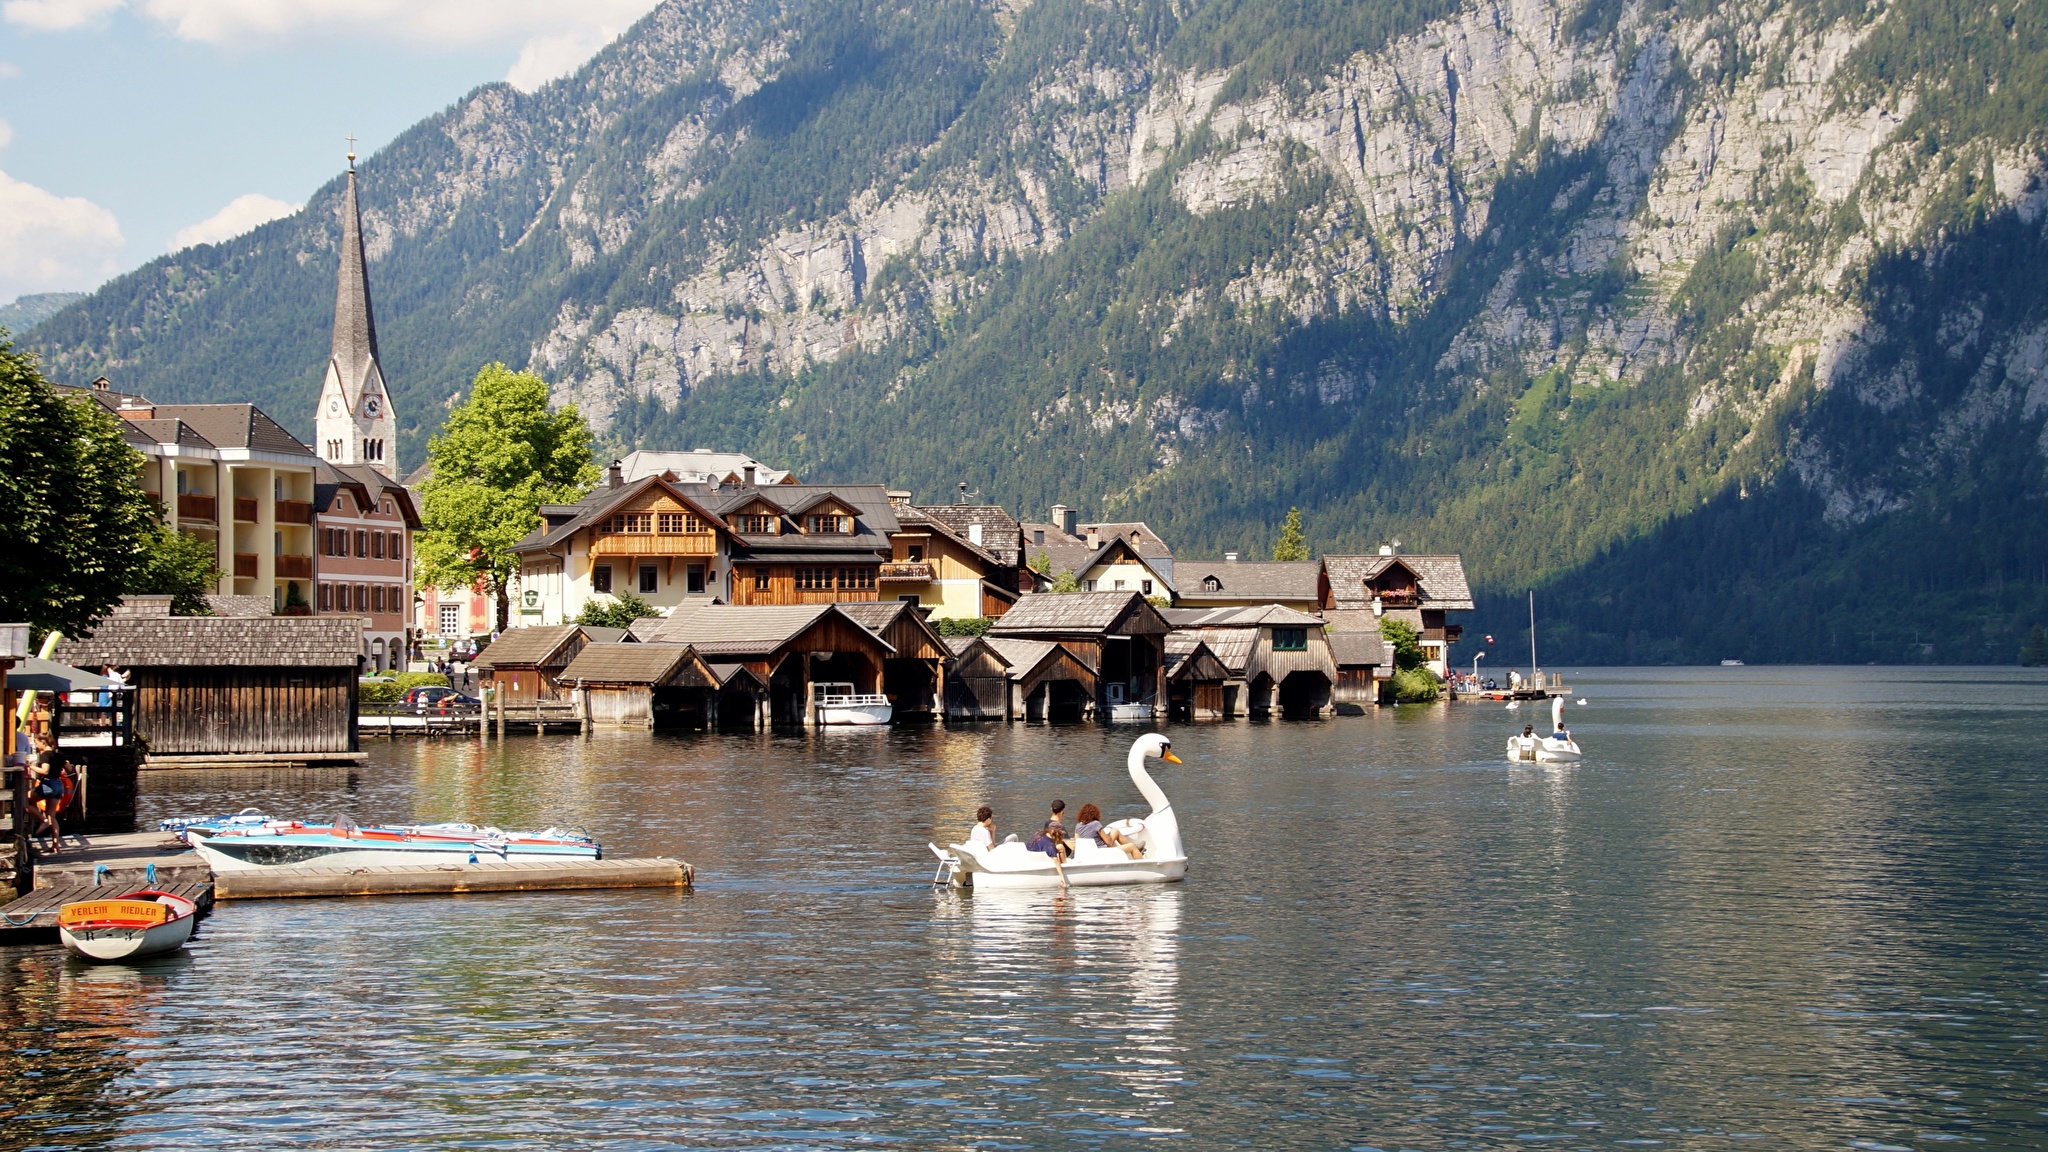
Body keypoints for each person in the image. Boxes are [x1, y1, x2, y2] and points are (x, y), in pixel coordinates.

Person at [1075, 802, 1144, 860]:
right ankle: (1142, 864)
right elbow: (1109, 842)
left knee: (1115, 831)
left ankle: (1137, 848)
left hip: (1089, 853)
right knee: (1132, 846)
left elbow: (1077, 842)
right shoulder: (1096, 824)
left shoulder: (1078, 826)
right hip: (1102, 851)